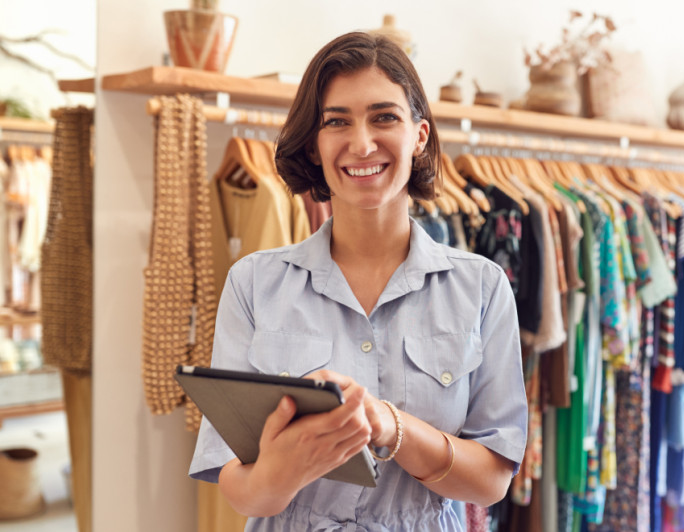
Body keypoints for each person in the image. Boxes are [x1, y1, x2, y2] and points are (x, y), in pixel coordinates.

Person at [188, 31, 528, 531]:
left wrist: (389, 426)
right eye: (336, 122)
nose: (361, 143)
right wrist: (285, 468)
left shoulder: (482, 288)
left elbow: (492, 480)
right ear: (315, 143)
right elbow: (238, 484)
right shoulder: (254, 283)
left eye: (384, 117)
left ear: (420, 135)